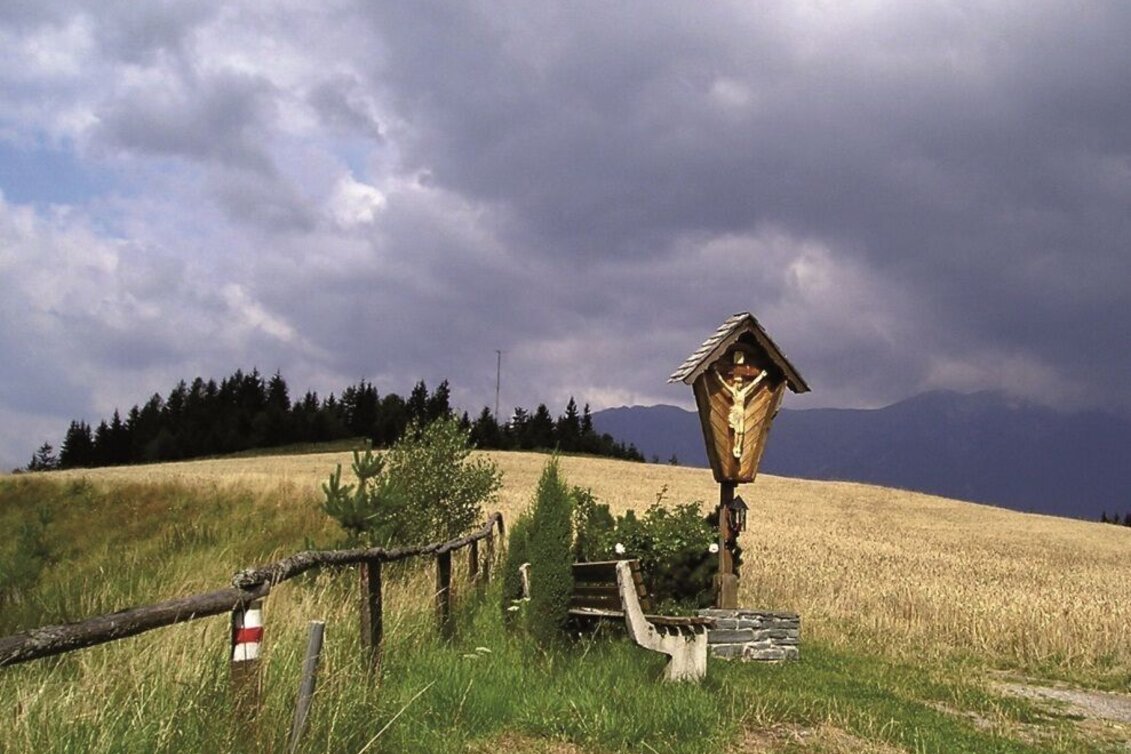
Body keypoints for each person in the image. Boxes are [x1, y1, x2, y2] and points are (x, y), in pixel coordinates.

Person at [711, 352, 767, 459]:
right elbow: (722, 383)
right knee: (737, 431)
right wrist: (716, 374)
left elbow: (753, 385)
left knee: (741, 431)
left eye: (740, 383)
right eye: (738, 383)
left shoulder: (743, 392)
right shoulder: (733, 391)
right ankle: (735, 448)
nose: (739, 384)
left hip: (741, 411)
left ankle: (738, 448)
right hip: (735, 411)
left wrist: (761, 376)